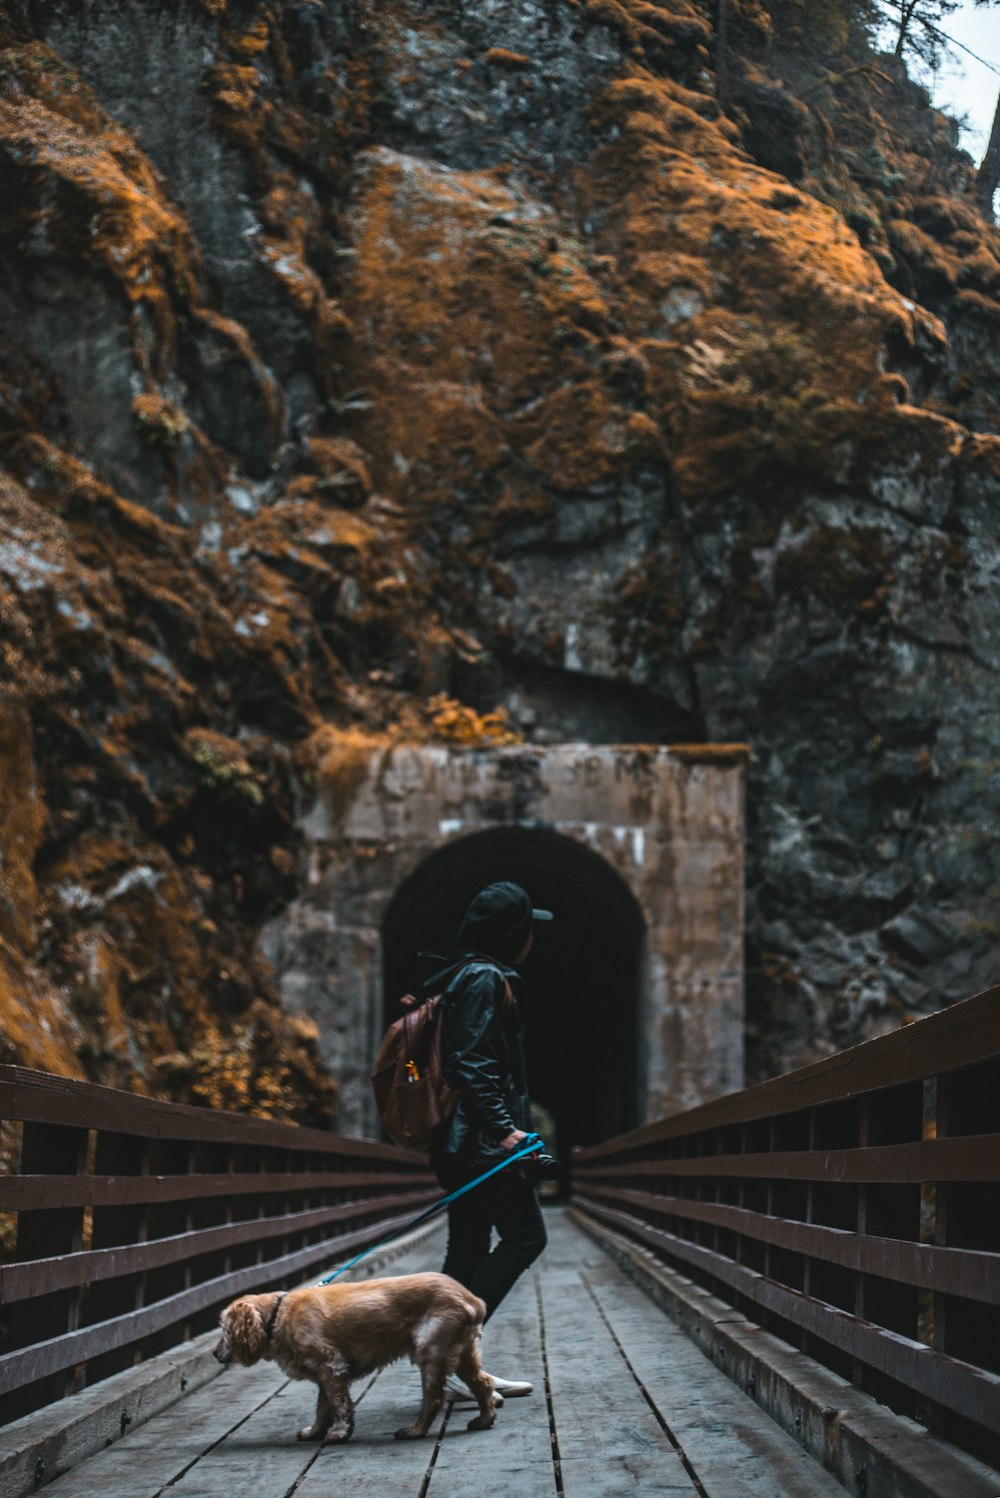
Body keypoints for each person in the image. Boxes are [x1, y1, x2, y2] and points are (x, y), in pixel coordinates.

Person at [419, 880, 553, 1403]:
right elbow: (470, 1063)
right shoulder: (482, 979)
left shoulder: (460, 976)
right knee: (526, 1236)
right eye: (527, 930)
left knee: (470, 1248)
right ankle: (449, 1354)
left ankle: (447, 1364)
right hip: (478, 1146)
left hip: (460, 1144)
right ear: (513, 934)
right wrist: (504, 1131)